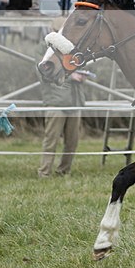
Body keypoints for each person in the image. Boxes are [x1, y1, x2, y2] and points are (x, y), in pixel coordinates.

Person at [37, 18, 87, 178]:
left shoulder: (72, 49)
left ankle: (64, 171)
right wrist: (72, 76)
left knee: (72, 142)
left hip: (74, 101)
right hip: (56, 102)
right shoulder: (42, 49)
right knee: (51, 140)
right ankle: (44, 172)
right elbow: (43, 72)